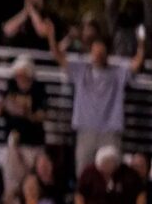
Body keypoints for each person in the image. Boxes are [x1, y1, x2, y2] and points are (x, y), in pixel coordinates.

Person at [45, 19, 145, 174]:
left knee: (111, 176)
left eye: (102, 52)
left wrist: (141, 42)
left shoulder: (117, 73)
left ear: (107, 54)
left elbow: (137, 63)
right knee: (84, 174)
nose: (98, 55)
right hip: (86, 130)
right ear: (91, 53)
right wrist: (51, 36)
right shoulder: (80, 71)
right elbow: (57, 55)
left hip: (110, 132)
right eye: (95, 52)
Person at [0, 55, 47, 196]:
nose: (19, 77)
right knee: (12, 181)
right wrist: (4, 106)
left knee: (31, 180)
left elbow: (43, 115)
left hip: (32, 142)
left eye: (22, 73)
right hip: (13, 141)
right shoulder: (10, 86)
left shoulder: (38, 89)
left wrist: (26, 113)